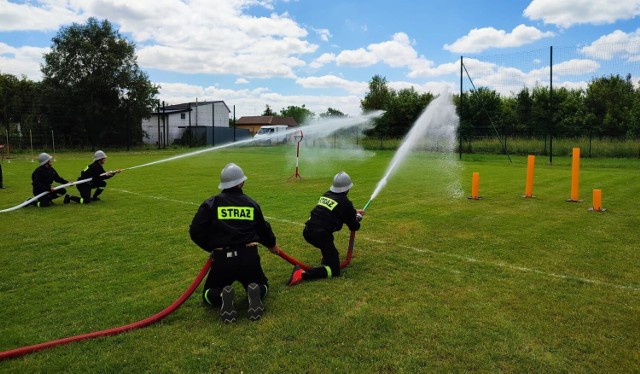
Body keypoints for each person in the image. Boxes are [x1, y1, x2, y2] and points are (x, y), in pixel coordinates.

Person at [189, 163, 278, 323]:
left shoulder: (211, 203)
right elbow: (263, 229)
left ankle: (223, 296)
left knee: (209, 293)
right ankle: (256, 292)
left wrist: (211, 247)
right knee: (262, 285)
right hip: (249, 256)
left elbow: (195, 230)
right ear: (240, 183)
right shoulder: (251, 203)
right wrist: (272, 245)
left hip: (223, 258)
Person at [288, 171, 365, 286]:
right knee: (334, 270)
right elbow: (354, 226)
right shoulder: (345, 202)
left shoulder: (327, 194)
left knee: (330, 251)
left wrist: (353, 212)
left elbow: (333, 210)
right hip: (320, 235)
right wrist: (357, 217)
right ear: (347, 188)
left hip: (308, 231)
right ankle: (303, 273)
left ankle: (327, 258)